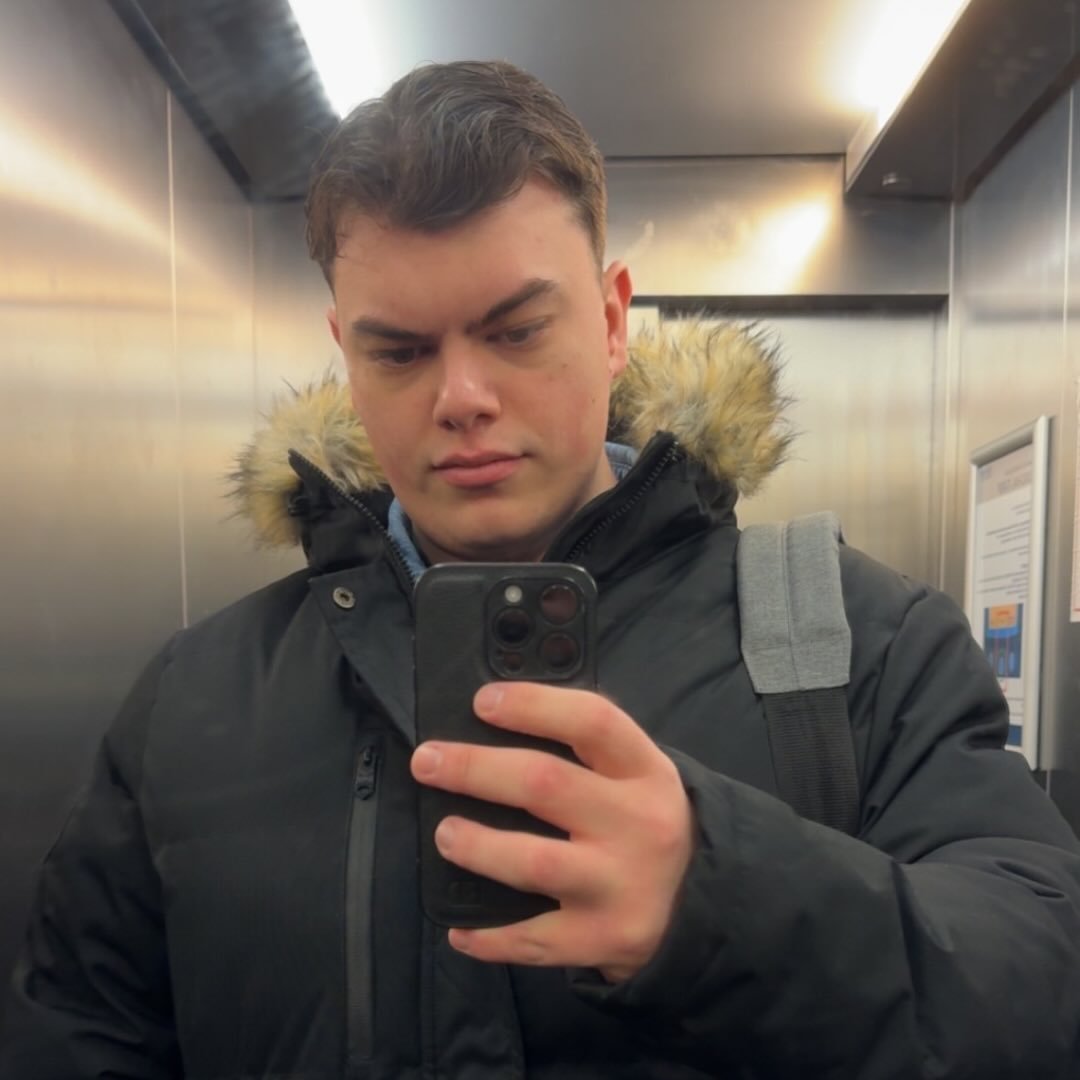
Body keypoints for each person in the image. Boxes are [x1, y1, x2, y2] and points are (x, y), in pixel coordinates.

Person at [2, 58, 1079, 1080]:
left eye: (515, 332)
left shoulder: (860, 641)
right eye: (399, 352)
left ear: (612, 321)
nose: (461, 398)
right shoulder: (196, 697)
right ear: (345, 352)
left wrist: (721, 898)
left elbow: (1040, 990)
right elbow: (75, 1034)